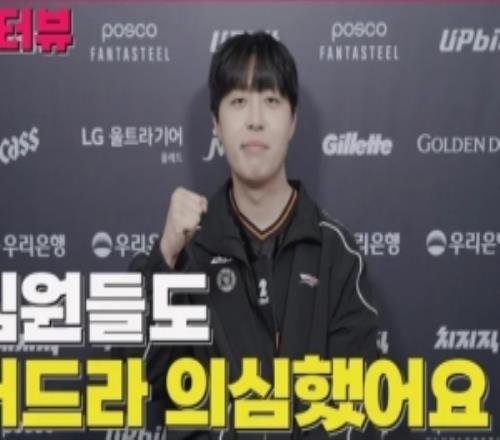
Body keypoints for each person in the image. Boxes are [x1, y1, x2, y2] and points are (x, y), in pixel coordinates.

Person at [133, 31, 379, 439]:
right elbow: (138, 379)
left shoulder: (337, 254)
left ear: (293, 120)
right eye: (238, 101)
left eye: (271, 100)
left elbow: (356, 408)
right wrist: (165, 259)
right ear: (216, 123)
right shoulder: (186, 252)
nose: (255, 119)